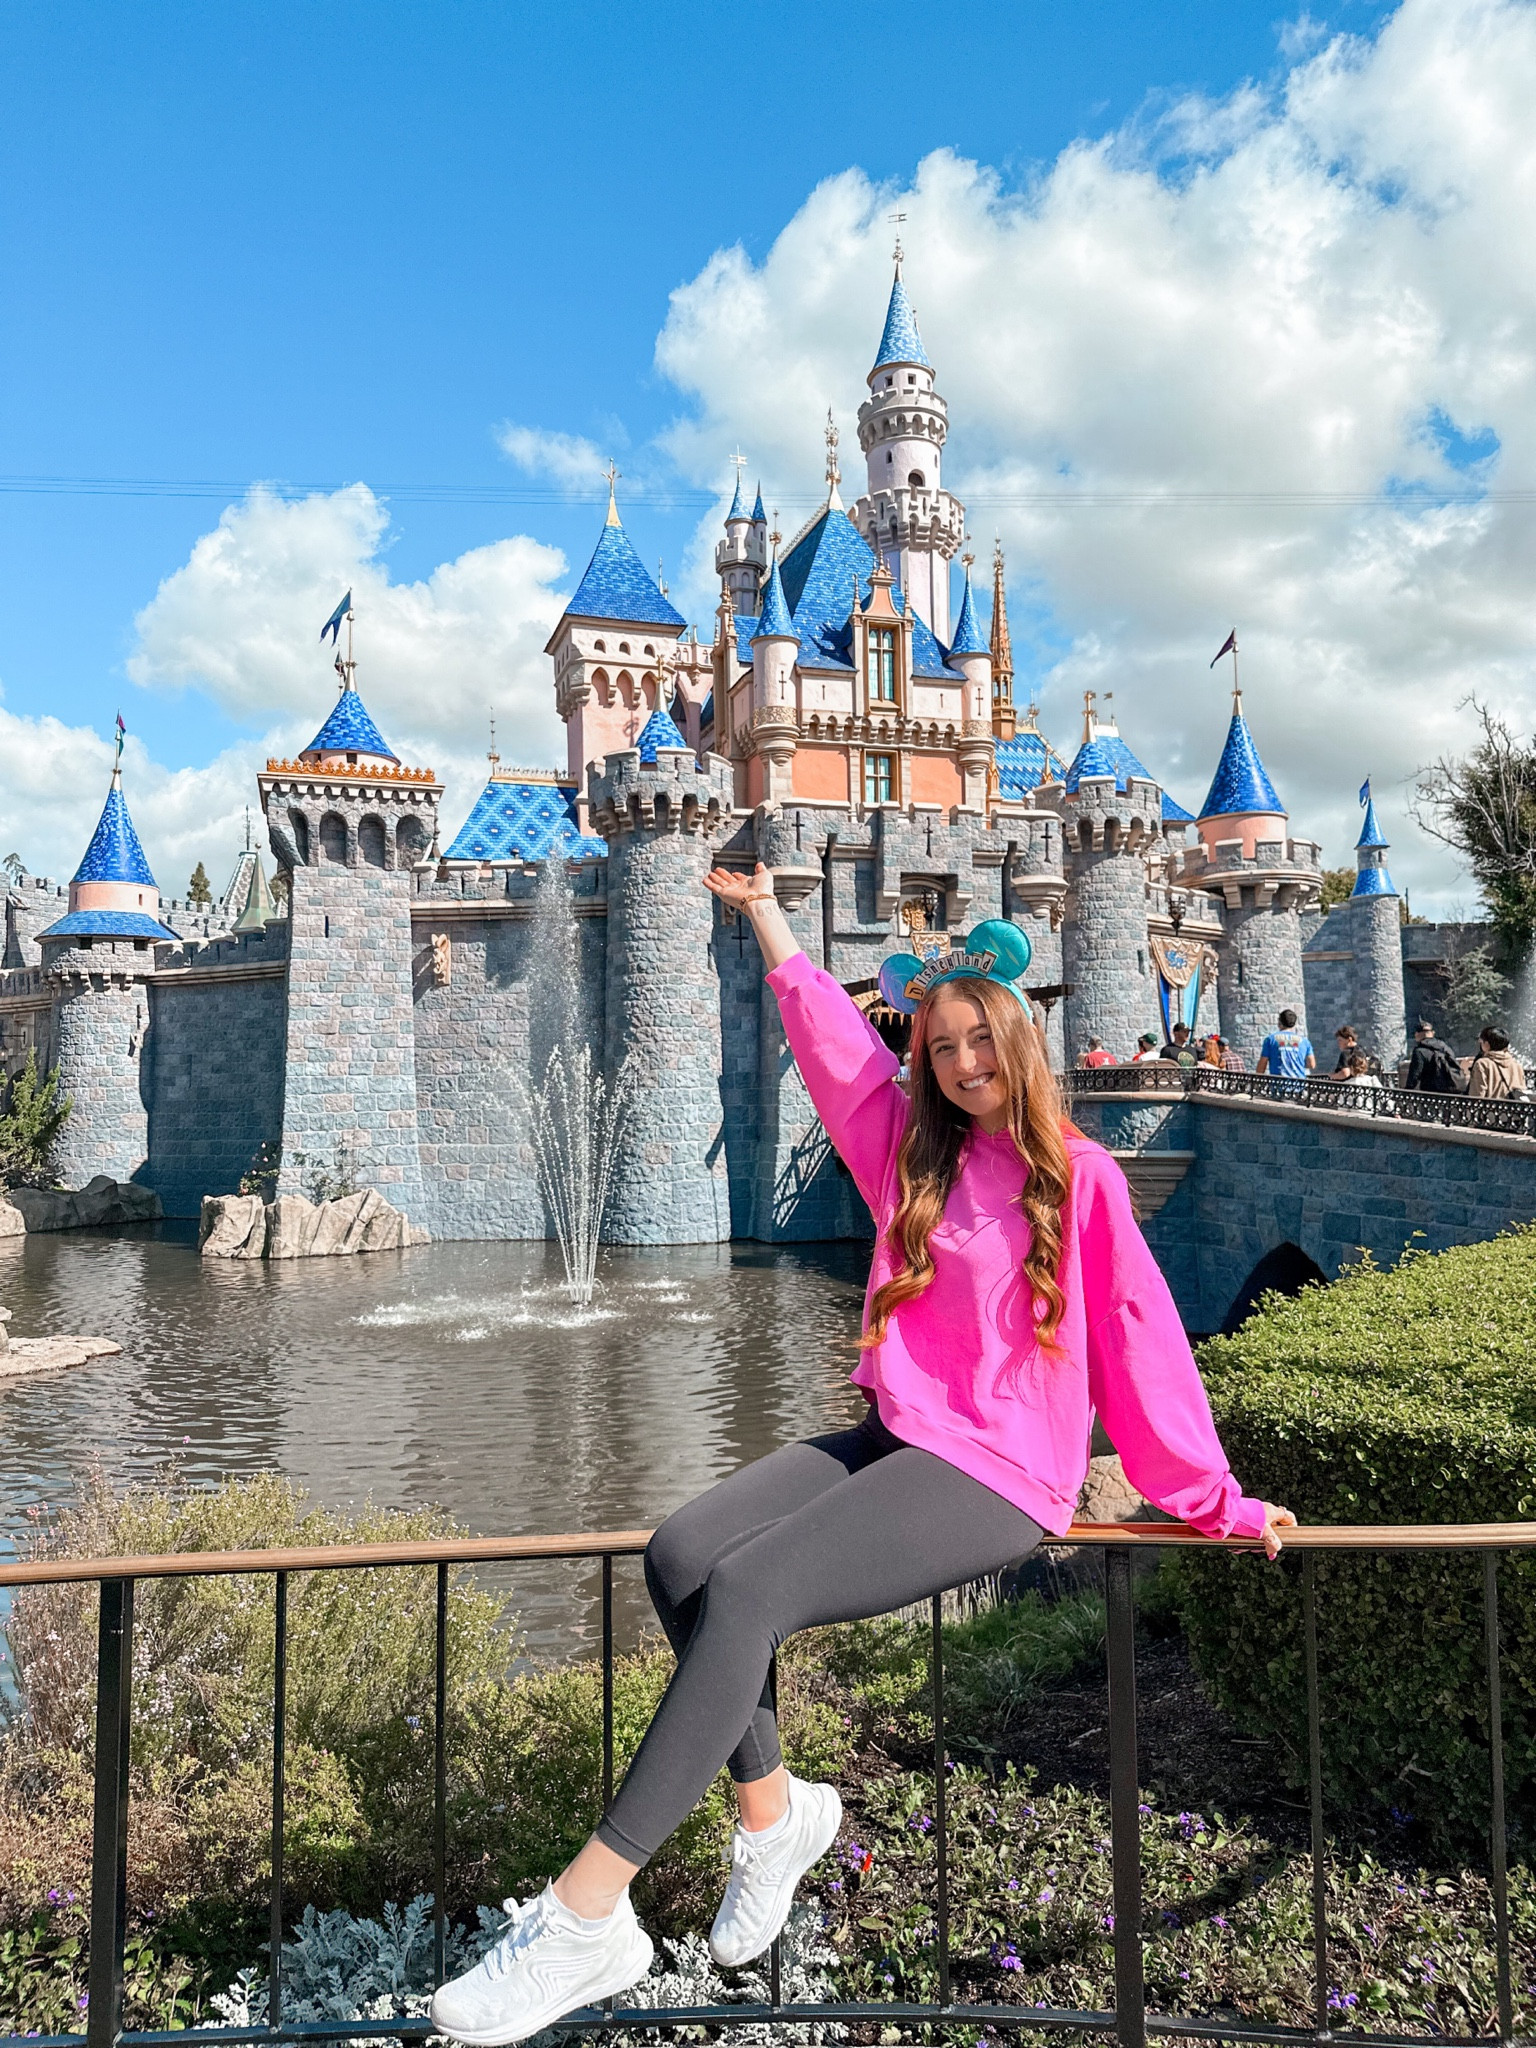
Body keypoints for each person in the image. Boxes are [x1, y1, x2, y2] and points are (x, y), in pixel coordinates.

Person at [428, 864, 1297, 2048]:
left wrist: (1215, 1501)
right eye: (939, 1045)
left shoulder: (1079, 1179)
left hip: (999, 1470)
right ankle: (775, 1811)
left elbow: (1145, 1347)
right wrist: (772, 920)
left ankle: (589, 1908)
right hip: (902, 1433)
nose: (961, 1062)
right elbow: (839, 1053)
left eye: (978, 1038)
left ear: (1018, 1039)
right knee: (682, 1552)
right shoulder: (912, 1156)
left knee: (751, 1587)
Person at [1468, 1025, 1528, 1101]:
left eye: (1481, 1042)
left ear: (1487, 1044)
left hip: (1490, 1111)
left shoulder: (1482, 1064)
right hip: (1512, 1111)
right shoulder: (1516, 1064)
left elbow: (1477, 1095)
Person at [1405, 1019, 1463, 1095]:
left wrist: (1406, 1092)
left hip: (1431, 1095)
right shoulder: (1445, 1047)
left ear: (1418, 1034)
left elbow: (1414, 1075)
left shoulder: (1419, 1051)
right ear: (1432, 1033)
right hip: (1451, 1091)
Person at [1255, 1009, 1315, 1083]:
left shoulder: (1270, 1040)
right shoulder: (1304, 1041)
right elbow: (1312, 1064)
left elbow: (1262, 1066)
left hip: (1278, 1085)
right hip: (1299, 1085)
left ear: (1279, 1022)